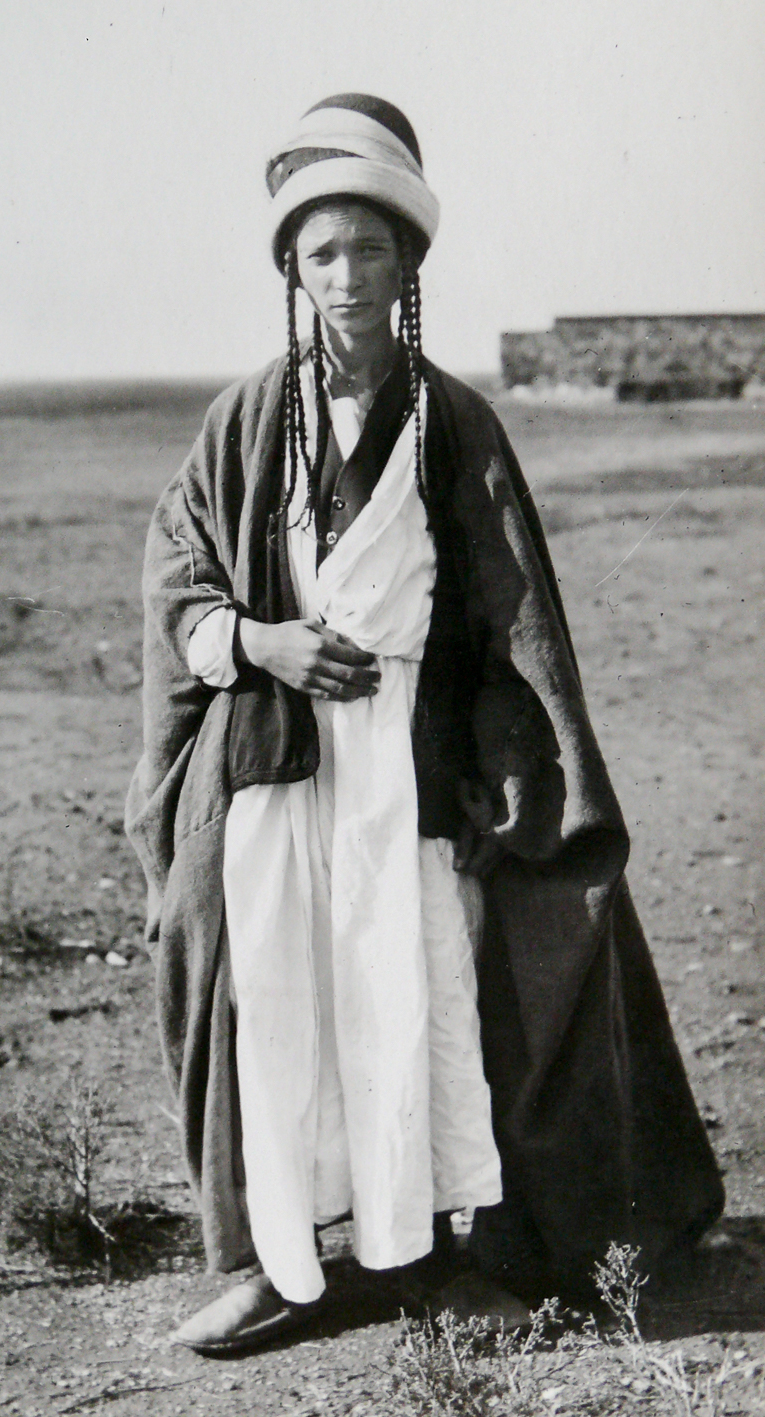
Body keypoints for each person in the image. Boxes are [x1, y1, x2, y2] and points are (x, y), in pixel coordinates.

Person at [126, 94, 723, 1355]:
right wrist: (259, 643)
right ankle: (273, 1259)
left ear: (409, 263)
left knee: (417, 994)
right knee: (279, 999)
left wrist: (514, 756)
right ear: (291, 267)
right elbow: (176, 574)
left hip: (406, 761)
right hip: (273, 761)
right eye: (322, 252)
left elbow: (511, 612)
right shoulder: (241, 422)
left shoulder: (454, 420)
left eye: (372, 248)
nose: (348, 275)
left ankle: (434, 1253)